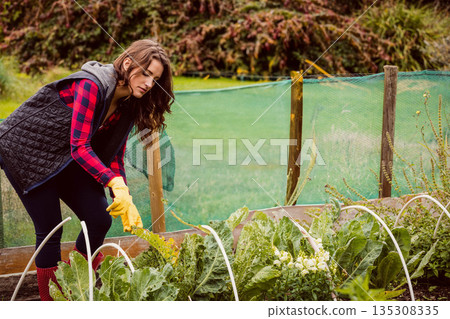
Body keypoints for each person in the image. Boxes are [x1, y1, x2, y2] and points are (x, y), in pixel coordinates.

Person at [0, 39, 174, 300]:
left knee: (99, 218)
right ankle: (53, 304)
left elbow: (114, 152)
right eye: (146, 73)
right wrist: (111, 181)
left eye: (155, 79)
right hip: (26, 150)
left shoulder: (129, 103)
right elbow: (80, 146)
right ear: (128, 63)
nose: (149, 83)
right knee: (50, 229)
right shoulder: (92, 84)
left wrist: (121, 190)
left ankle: (77, 286)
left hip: (63, 155)